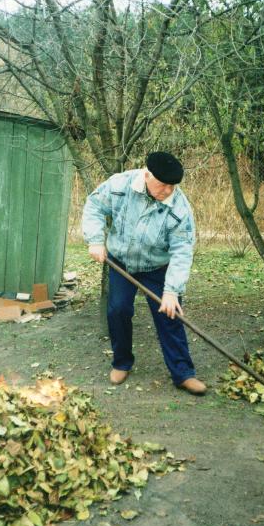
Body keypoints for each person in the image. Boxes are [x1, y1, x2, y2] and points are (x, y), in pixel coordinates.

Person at [82, 151, 206, 395]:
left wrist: (171, 291)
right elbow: (94, 205)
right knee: (118, 309)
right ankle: (121, 362)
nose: (168, 191)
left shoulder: (179, 208)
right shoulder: (120, 185)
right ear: (147, 174)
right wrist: (96, 240)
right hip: (122, 262)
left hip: (158, 267)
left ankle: (183, 373)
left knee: (170, 315)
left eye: (173, 186)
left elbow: (182, 251)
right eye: (163, 185)